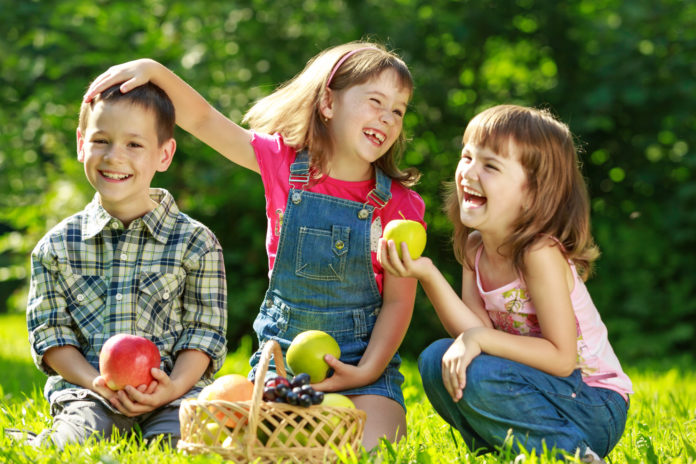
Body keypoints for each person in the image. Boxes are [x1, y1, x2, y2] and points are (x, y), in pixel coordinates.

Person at [83, 41, 426, 448]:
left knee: (370, 446)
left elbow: (399, 303)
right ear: (328, 103)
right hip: (281, 375)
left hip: (365, 375)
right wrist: (153, 69)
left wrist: (366, 372)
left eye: (398, 111)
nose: (387, 119)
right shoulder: (281, 165)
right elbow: (205, 119)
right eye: (375, 102)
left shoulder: (400, 204)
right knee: (275, 446)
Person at [379, 105, 632, 462]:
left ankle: (571, 455)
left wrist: (478, 339)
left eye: (490, 165)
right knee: (438, 360)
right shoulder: (475, 245)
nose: (468, 172)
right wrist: (428, 274)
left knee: (476, 370)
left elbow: (561, 360)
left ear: (533, 193)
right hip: (535, 390)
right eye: (467, 156)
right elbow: (472, 330)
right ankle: (507, 452)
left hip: (592, 401)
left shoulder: (539, 253)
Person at [22, 82, 228, 449]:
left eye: (134, 144)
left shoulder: (196, 243)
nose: (114, 157)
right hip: (90, 393)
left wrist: (175, 387)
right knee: (75, 440)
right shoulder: (56, 247)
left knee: (179, 444)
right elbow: (52, 336)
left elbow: (204, 333)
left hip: (172, 393)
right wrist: (92, 381)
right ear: (81, 143)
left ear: (164, 155)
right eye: (101, 140)